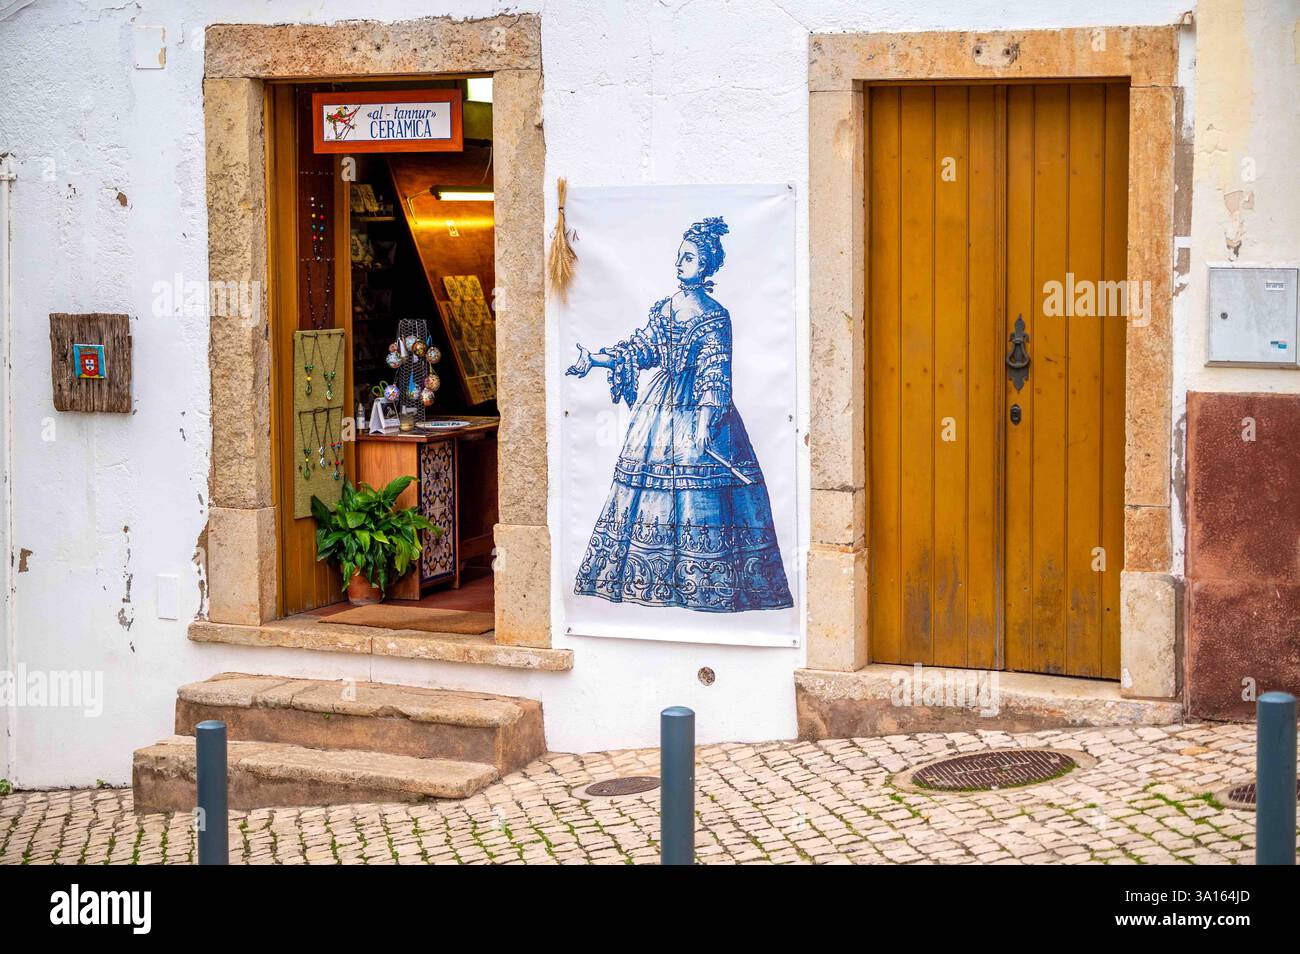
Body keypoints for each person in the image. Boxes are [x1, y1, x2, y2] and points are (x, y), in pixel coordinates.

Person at [566, 216, 792, 612]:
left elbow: (715, 373)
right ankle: (652, 582)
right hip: (659, 410)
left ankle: (705, 587)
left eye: (687, 257)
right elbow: (641, 349)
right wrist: (596, 361)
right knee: (646, 492)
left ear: (705, 265)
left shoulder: (715, 314)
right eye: (678, 256)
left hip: (697, 413)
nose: (679, 263)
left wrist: (705, 423)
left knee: (701, 496)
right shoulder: (665, 309)